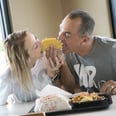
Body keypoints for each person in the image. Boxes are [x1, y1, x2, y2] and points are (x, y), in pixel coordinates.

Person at [0, 30, 67, 105]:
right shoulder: (8, 76)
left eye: (36, 38)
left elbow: (58, 93)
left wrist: (53, 74)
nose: (41, 43)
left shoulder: (47, 59)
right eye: (36, 46)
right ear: (24, 57)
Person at [57, 9, 116, 95]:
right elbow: (69, 89)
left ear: (85, 40)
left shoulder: (113, 50)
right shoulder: (67, 52)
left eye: (67, 35)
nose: (59, 38)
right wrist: (63, 64)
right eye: (60, 31)